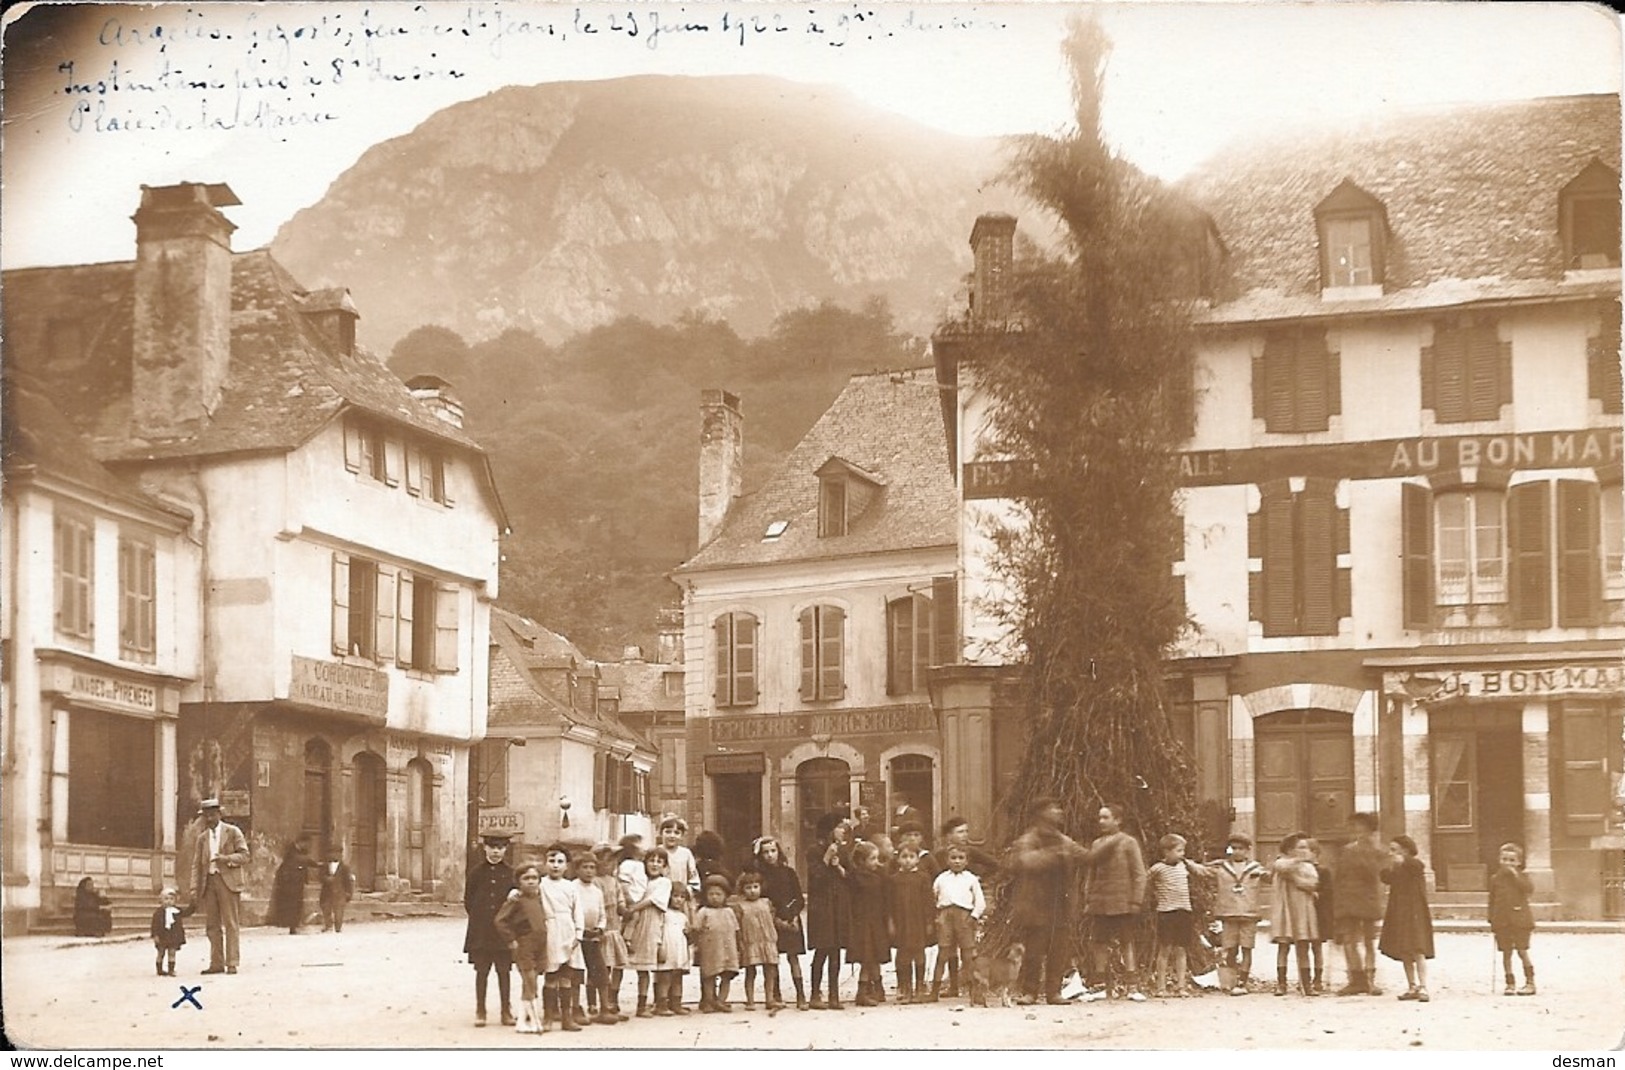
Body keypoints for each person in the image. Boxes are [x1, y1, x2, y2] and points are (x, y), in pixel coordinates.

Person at [1078, 801, 1144, 1002]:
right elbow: (1091, 874)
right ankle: (1100, 986)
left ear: (1118, 820)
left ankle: (1131, 987)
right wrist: (1088, 898)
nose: (1102, 821)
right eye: (1100, 817)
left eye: (1106, 817)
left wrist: (1136, 900)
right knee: (1099, 942)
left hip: (1123, 901)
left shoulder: (1128, 842)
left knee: (1126, 942)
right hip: (1100, 901)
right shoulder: (1097, 844)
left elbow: (1139, 873)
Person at [464, 833, 518, 1027]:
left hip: (502, 933)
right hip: (482, 931)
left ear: (506, 849)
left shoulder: (512, 874)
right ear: (484, 848)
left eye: (500, 847)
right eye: (492, 847)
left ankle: (506, 1010)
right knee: (482, 971)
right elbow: (469, 901)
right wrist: (481, 920)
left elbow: (515, 904)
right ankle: (481, 1010)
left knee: (504, 971)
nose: (496, 851)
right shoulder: (476, 873)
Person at [191, 798, 249, 974]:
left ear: (219, 814)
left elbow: (245, 855)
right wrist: (194, 887)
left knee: (231, 923)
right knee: (212, 925)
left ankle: (232, 962)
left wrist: (226, 859)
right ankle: (216, 963)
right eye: (205, 816)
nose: (208, 819)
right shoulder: (202, 839)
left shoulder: (232, 832)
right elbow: (196, 864)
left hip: (228, 882)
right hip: (209, 883)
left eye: (212, 814)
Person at [1332, 812, 1387, 996]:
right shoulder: (1346, 850)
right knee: (1349, 941)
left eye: (1361, 827)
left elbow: (1376, 875)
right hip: (1348, 902)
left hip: (1368, 901)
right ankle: (1356, 980)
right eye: (1354, 827)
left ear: (1370, 830)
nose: (1357, 831)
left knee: (1369, 942)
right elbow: (1338, 878)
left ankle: (1370, 980)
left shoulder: (1377, 851)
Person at [1203, 833, 1265, 996]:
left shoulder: (1256, 868)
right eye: (1234, 848)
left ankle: (1242, 982)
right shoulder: (1221, 867)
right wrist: (1186, 862)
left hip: (1248, 913)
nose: (1237, 852)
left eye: (1241, 849)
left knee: (1247, 948)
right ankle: (1229, 981)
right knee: (1230, 948)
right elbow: (1202, 871)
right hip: (1228, 913)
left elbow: (1273, 878)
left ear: (1248, 850)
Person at [753, 835, 809, 1010]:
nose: (770, 855)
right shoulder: (760, 876)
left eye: (773, 851)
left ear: (779, 852)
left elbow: (799, 898)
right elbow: (762, 900)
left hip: (791, 919)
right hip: (771, 921)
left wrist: (792, 916)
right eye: (765, 852)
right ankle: (775, 995)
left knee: (794, 958)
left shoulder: (789, 872)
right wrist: (775, 919)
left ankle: (801, 995)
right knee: (772, 960)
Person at [805, 812, 852, 1009]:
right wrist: (826, 858)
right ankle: (815, 994)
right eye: (840, 827)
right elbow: (816, 877)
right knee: (822, 950)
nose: (844, 831)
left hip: (838, 905)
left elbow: (850, 878)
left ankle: (834, 995)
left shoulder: (843, 851)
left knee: (836, 952)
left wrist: (839, 866)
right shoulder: (814, 851)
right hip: (822, 907)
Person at [1380, 834, 1435, 1003]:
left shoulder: (1414, 865)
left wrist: (1402, 861)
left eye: (1394, 850)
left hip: (1414, 911)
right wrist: (1390, 866)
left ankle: (1423, 986)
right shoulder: (1396, 868)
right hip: (1399, 911)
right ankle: (1412, 985)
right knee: (1404, 949)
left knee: (1418, 948)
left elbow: (1416, 865)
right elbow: (1385, 877)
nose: (1391, 853)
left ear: (1405, 851)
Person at [494, 863, 548, 1034]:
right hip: (525, 944)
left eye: (534, 878)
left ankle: (523, 1020)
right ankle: (532, 1020)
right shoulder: (516, 900)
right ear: (518, 882)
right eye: (526, 879)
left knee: (533, 981)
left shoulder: (539, 898)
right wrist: (511, 940)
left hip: (540, 944)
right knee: (529, 980)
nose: (531, 882)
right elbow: (500, 921)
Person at [928, 844, 986, 1002]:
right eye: (953, 858)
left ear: (967, 861)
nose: (957, 861)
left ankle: (975, 991)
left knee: (968, 955)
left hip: (964, 917)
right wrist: (937, 916)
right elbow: (933, 897)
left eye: (961, 858)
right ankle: (936, 990)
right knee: (944, 953)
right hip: (945, 916)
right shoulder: (941, 878)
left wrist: (973, 917)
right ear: (947, 860)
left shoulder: (971, 879)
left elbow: (980, 902)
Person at [622, 845, 674, 1017]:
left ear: (665, 866)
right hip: (635, 925)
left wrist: (634, 907)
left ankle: (642, 1005)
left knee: (645, 968)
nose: (655, 864)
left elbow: (651, 901)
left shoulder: (664, 883)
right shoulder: (641, 880)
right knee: (622, 964)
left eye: (660, 862)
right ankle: (612, 1003)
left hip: (651, 925)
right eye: (651, 860)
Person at [538, 843, 585, 1032]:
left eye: (560, 862)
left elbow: (578, 911)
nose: (555, 865)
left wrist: (579, 933)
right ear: (545, 863)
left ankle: (567, 1018)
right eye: (551, 861)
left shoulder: (571, 887)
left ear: (567, 866)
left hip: (568, 931)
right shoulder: (540, 884)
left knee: (567, 978)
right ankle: (548, 1016)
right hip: (550, 931)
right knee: (551, 977)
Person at [1146, 833, 1197, 998]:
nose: (1182, 854)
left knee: (1181, 949)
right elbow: (1146, 882)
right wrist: (1154, 896)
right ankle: (1161, 987)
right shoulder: (1157, 868)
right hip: (1166, 912)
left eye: (1183, 851)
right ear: (1166, 852)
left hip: (1184, 911)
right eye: (1179, 850)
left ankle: (1181, 985)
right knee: (1165, 949)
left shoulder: (1184, 866)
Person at [1269, 832, 1320, 997]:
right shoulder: (1281, 862)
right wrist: (1298, 862)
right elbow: (1282, 867)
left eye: (1306, 848)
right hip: (1286, 911)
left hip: (1303, 911)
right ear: (1290, 849)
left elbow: (1313, 883)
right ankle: (1281, 983)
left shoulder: (1309, 866)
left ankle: (1306, 984)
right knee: (1283, 947)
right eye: (1301, 847)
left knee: (1303, 946)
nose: (1305, 851)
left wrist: (1299, 882)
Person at [574, 850, 620, 1025]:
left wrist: (599, 929)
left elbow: (602, 914)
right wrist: (579, 931)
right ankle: (575, 1008)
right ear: (577, 869)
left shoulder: (596, 891)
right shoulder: (572, 887)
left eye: (592, 867)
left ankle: (604, 1008)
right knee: (576, 973)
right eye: (585, 867)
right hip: (578, 938)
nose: (589, 871)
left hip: (593, 937)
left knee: (600, 972)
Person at [887, 842, 936, 1003]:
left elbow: (928, 901)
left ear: (917, 859)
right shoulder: (893, 880)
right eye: (904, 857)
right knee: (903, 954)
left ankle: (920, 986)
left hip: (918, 921)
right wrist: (891, 922)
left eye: (911, 857)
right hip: (901, 921)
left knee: (919, 952)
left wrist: (929, 922)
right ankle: (904, 986)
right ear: (898, 859)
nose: (908, 860)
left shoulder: (923, 878)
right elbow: (890, 903)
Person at [845, 840, 891, 1007]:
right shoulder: (855, 877)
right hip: (863, 922)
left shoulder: (879, 875)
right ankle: (862, 992)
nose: (876, 863)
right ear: (861, 861)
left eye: (877, 858)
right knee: (867, 957)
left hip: (876, 921)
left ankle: (878, 988)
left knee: (875, 957)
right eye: (872, 859)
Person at [1489, 842, 1536, 996]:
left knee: (1522, 951)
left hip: (1520, 921)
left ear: (1518, 862)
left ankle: (1530, 983)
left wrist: (1516, 875)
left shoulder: (1522, 877)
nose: (1507, 863)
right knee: (1506, 953)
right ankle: (1510, 983)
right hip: (1502, 921)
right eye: (1504, 859)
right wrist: (1492, 918)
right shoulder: (1495, 879)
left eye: (1511, 860)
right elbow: (1492, 900)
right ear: (1499, 860)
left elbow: (1528, 889)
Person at [592, 842, 632, 1019]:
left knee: (618, 964)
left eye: (614, 861)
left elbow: (620, 901)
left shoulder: (614, 882)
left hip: (614, 929)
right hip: (601, 929)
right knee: (600, 967)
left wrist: (625, 910)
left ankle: (612, 999)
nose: (611, 865)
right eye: (607, 861)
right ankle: (596, 1003)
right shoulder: (594, 881)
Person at [694, 874, 742, 1012]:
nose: (714, 897)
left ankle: (721, 1000)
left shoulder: (729, 912)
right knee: (709, 976)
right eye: (711, 894)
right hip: (710, 950)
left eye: (718, 894)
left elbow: (736, 930)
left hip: (728, 949)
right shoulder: (704, 912)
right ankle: (709, 1002)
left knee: (726, 975)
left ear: (726, 895)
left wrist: (739, 947)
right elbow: (696, 929)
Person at [734, 869, 781, 1010]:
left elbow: (771, 920)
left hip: (767, 941)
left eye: (755, 887)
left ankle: (770, 998)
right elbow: (738, 926)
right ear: (742, 890)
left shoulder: (766, 902)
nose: (752, 891)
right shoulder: (740, 906)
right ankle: (750, 1000)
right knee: (750, 972)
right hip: (751, 942)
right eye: (748, 888)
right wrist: (740, 942)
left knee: (770, 971)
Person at [267, 835, 315, 934]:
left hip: (295, 883)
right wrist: (317, 864)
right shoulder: (292, 851)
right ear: (301, 842)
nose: (309, 846)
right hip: (290, 884)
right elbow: (301, 860)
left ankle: (294, 925)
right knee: (293, 905)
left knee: (296, 904)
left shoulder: (298, 851)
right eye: (307, 844)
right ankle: (292, 926)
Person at [1307, 837, 1334, 994]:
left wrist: (1317, 894)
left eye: (1308, 851)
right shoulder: (1299, 870)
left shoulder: (1323, 871)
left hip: (1318, 913)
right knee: (1303, 947)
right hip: (1304, 913)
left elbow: (1329, 892)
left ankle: (1318, 979)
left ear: (1315, 853)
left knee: (1317, 947)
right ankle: (1305, 978)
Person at [150, 886, 188, 976]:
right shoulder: (158, 912)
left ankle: (171, 969)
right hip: (162, 935)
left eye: (171, 899)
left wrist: (193, 906)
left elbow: (186, 913)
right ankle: (159, 969)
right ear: (161, 900)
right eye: (166, 899)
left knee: (172, 952)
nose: (169, 901)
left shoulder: (177, 911)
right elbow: (154, 925)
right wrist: (155, 935)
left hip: (173, 936)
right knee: (161, 952)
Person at [318, 850, 355, 933]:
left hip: (340, 892)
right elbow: (320, 877)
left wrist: (349, 892)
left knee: (338, 910)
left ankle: (338, 927)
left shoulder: (344, 867)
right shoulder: (324, 866)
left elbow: (348, 881)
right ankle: (328, 925)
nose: (333, 855)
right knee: (326, 908)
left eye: (335, 853)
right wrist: (326, 879)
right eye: (331, 853)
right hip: (326, 891)